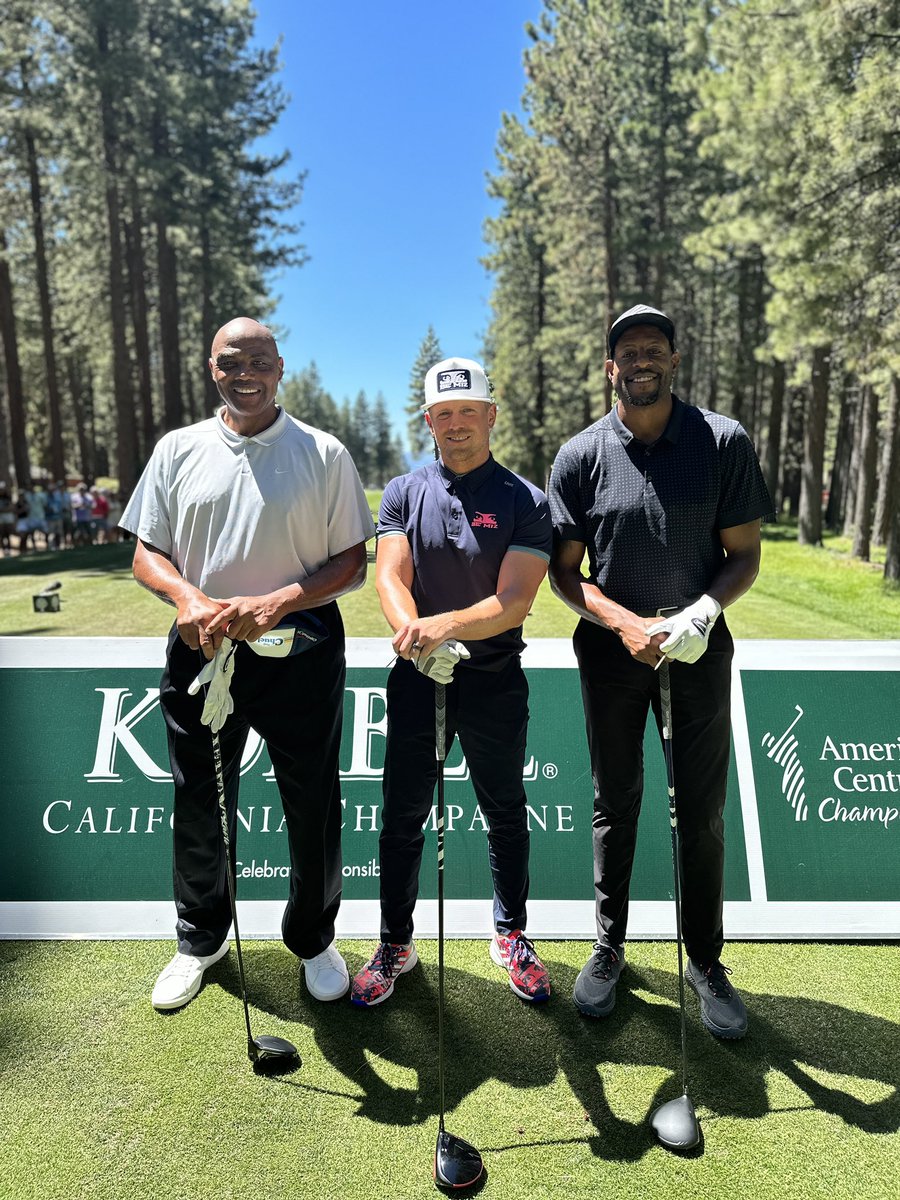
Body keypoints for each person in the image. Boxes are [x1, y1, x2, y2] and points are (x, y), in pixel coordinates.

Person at [120, 317, 375, 1011]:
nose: (246, 373)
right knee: (201, 799)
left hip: (301, 649)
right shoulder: (178, 449)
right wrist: (186, 597)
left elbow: (352, 560)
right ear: (213, 369)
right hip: (202, 646)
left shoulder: (323, 453)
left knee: (314, 801)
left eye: (259, 361)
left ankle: (314, 940)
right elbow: (146, 550)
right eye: (233, 362)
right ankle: (201, 940)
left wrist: (280, 601)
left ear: (280, 368)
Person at [548, 304, 774, 1039]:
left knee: (701, 811)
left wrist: (698, 615)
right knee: (616, 802)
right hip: (613, 657)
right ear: (610, 367)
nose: (640, 358)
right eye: (627, 350)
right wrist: (623, 623)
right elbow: (565, 574)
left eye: (654, 347)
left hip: (698, 655)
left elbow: (744, 554)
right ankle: (609, 948)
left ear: (674, 360)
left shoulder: (722, 441)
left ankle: (704, 961)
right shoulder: (581, 455)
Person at [351, 357, 553, 1008]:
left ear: (491, 415)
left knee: (504, 813)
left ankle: (511, 934)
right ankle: (394, 943)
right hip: (418, 681)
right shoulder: (404, 492)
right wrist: (416, 638)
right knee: (403, 816)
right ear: (428, 422)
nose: (457, 424)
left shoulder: (526, 501)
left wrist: (443, 629)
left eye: (469, 411)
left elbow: (515, 599)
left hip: (494, 680)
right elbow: (390, 576)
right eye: (444, 414)